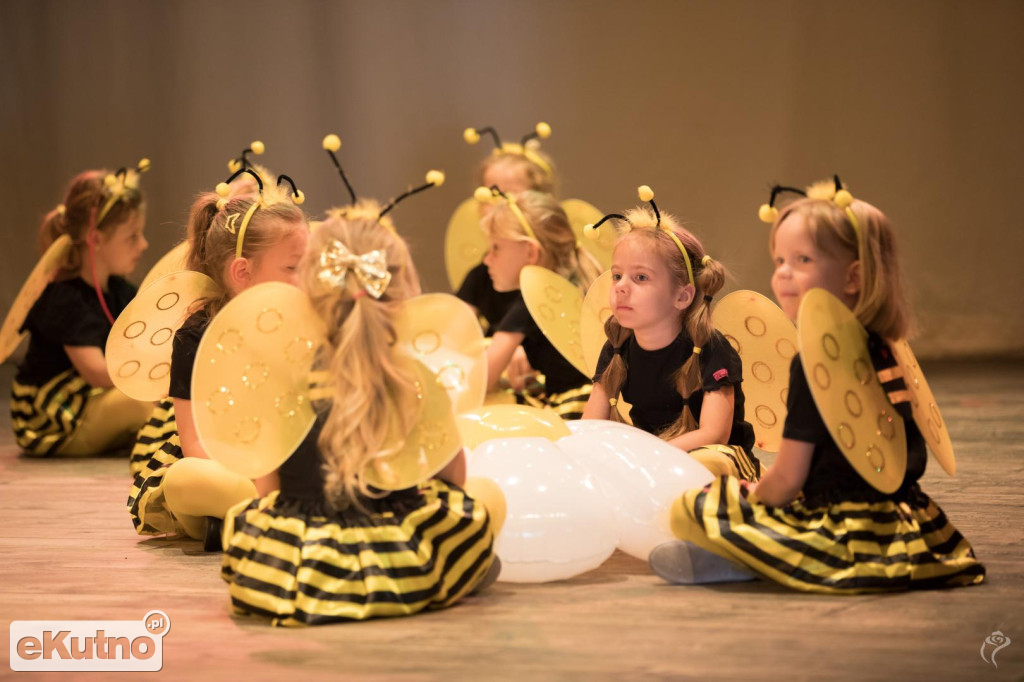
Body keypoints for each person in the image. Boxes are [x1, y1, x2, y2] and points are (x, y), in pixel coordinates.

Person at [650, 179, 985, 592]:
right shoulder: (883, 346)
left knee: (693, 505)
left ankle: (751, 559)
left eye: (802, 259)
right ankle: (745, 557)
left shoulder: (815, 362)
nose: (782, 273)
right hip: (906, 518)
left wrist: (753, 492)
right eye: (779, 260)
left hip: (840, 529)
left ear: (853, 276)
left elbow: (788, 480)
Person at [220, 197, 502, 625]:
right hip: (399, 560)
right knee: (483, 502)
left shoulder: (286, 375)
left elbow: (269, 488)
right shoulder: (415, 376)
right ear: (400, 288)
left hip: (304, 566)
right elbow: (453, 478)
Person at [127, 168, 309, 542]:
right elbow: (195, 444)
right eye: (294, 268)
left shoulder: (304, 322)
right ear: (243, 272)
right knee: (185, 479)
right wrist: (256, 474)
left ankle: (246, 518)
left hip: (288, 462)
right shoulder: (195, 336)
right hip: (228, 465)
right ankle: (272, 512)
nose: (306, 278)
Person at [581, 186, 760, 480]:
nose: (621, 287)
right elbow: (591, 425)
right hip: (652, 458)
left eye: (640, 277)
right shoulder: (617, 346)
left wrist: (649, 456)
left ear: (682, 296)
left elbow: (714, 434)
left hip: (713, 461)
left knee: (710, 460)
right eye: (617, 275)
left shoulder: (711, 348)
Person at [10, 163, 154, 456]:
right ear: (96, 239)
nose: (144, 244)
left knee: (163, 401)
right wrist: (151, 377)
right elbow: (97, 373)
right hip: (55, 417)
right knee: (141, 403)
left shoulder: (120, 291)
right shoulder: (64, 298)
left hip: (89, 403)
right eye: (132, 236)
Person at [480, 187, 602, 419]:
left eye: (496, 248)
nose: (487, 259)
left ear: (530, 252)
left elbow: (483, 379)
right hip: (588, 401)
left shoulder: (534, 298)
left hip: (571, 410)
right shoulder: (569, 282)